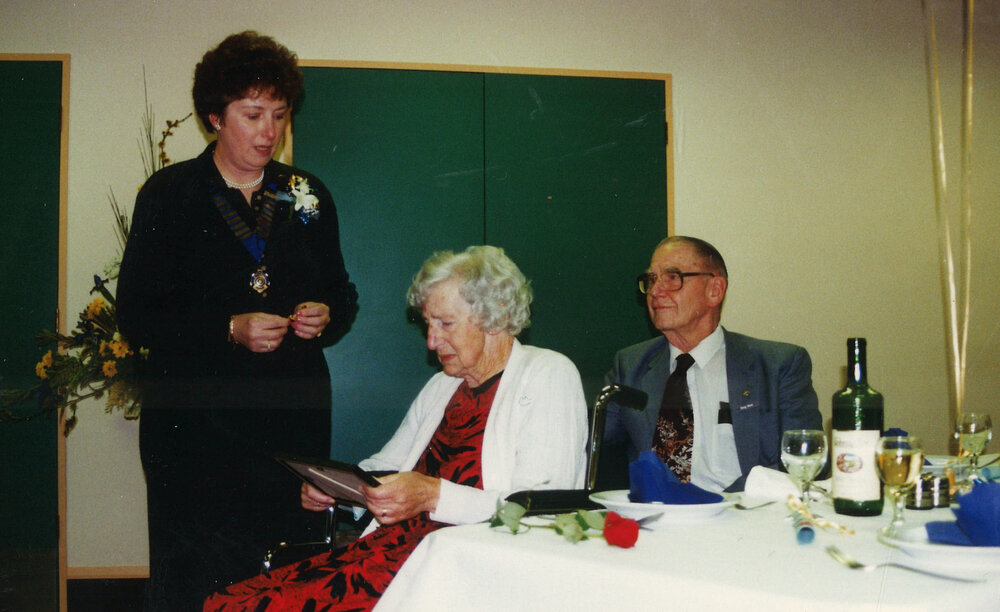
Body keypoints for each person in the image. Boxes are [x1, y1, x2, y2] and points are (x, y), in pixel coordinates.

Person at [203, 245, 588, 611]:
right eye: (428, 324)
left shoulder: (548, 374)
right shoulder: (443, 386)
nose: (432, 341)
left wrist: (434, 495)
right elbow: (386, 465)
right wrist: (338, 487)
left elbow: (542, 510)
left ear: (496, 315)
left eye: (445, 323)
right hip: (395, 554)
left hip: (458, 568)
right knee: (232, 601)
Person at [116, 31, 358, 611]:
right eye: (252, 114)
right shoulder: (168, 195)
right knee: (197, 579)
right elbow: (137, 317)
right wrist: (227, 329)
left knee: (285, 577)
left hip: (290, 429)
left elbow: (342, 294)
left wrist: (327, 314)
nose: (269, 131)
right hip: (196, 432)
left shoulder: (308, 195)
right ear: (213, 118)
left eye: (279, 114)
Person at [603, 236, 820, 493]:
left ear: (714, 290)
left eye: (672, 278)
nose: (655, 291)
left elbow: (803, 462)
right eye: (651, 280)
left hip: (746, 517)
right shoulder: (631, 365)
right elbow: (591, 445)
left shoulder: (778, 365)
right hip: (661, 520)